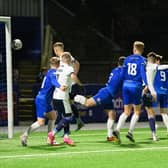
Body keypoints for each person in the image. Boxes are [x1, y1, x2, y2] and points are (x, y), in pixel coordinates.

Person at [74, 56, 126, 141]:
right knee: (87, 103)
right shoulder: (122, 71)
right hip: (106, 94)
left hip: (108, 93)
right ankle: (72, 97)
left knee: (112, 114)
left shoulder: (116, 70)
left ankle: (110, 136)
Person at [20, 57, 66, 146]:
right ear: (58, 64)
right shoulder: (52, 73)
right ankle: (24, 135)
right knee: (41, 122)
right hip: (43, 99)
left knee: (53, 116)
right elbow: (53, 81)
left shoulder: (49, 72)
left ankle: (50, 139)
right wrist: (60, 86)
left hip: (45, 99)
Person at [113, 41, 147, 143]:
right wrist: (146, 84)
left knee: (126, 111)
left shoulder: (127, 59)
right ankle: (130, 132)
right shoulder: (143, 60)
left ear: (134, 48)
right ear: (142, 50)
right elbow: (142, 73)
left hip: (126, 85)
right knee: (136, 111)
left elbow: (122, 74)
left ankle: (117, 129)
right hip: (136, 85)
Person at [48, 52, 82, 146]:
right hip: (63, 97)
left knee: (64, 117)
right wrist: (80, 84)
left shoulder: (58, 69)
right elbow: (73, 76)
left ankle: (66, 137)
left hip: (55, 97)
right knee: (69, 117)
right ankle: (53, 133)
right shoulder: (69, 68)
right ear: (70, 60)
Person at [53, 42, 84, 131]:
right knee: (68, 105)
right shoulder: (60, 58)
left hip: (68, 86)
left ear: (55, 50)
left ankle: (67, 130)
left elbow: (77, 63)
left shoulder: (65, 56)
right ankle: (77, 123)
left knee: (66, 106)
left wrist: (73, 76)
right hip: (66, 85)